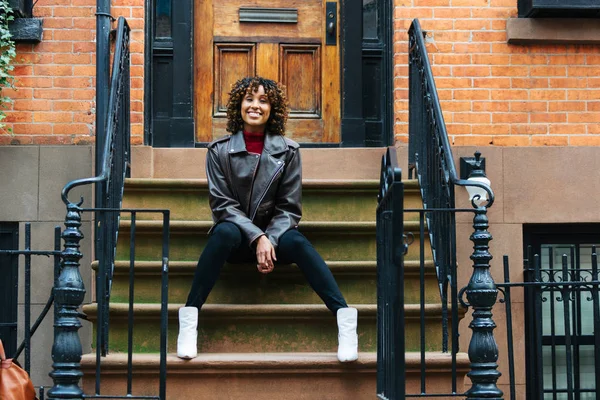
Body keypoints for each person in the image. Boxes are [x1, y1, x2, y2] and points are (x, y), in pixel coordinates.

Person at [176, 76, 358, 363]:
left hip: (276, 241)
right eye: (249, 99)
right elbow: (223, 205)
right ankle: (189, 321)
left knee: (297, 239)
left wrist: (269, 239)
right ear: (239, 106)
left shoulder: (289, 151)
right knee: (223, 233)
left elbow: (289, 209)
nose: (255, 106)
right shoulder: (218, 151)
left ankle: (345, 320)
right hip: (236, 240)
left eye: (263, 101)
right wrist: (257, 237)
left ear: (273, 109)